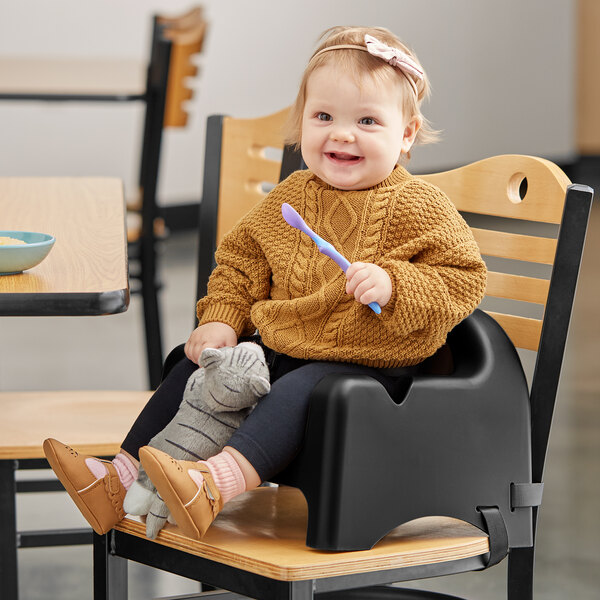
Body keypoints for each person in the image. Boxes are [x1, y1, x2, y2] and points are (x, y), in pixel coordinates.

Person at [44, 25, 487, 540]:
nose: (342, 134)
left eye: (367, 120)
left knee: (305, 387)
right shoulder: (292, 196)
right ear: (302, 123)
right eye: (324, 117)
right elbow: (240, 261)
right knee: (192, 369)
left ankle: (214, 486)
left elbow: (463, 279)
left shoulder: (418, 205)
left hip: (373, 370)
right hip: (285, 347)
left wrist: (395, 285)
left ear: (406, 134)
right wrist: (221, 319)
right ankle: (118, 480)